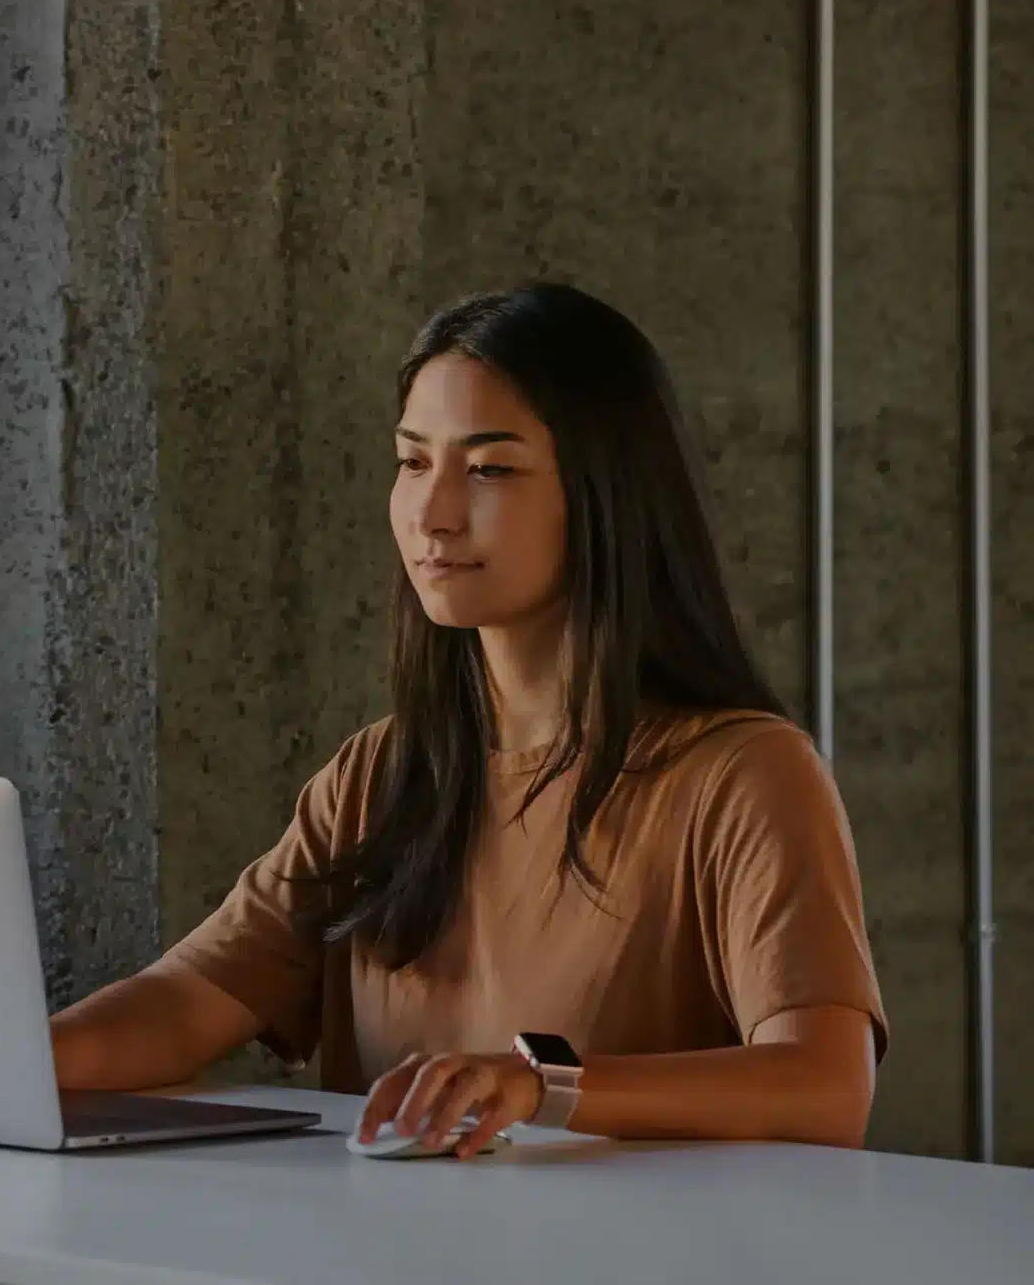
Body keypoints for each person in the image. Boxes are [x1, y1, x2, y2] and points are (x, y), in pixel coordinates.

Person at [51, 284, 884, 1157]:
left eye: (489, 469)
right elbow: (188, 1001)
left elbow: (824, 1086)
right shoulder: (377, 776)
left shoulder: (743, 774)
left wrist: (539, 1087)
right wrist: (3, 1065)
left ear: (605, 496)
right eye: (413, 463)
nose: (433, 512)